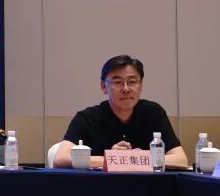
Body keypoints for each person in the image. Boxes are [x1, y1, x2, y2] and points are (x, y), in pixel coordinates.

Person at [53, 55, 187, 169]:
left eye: (132, 82)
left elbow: (180, 159)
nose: (126, 89)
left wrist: (135, 159)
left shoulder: (153, 113)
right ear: (103, 87)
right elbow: (60, 159)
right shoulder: (87, 118)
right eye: (118, 82)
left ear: (141, 85)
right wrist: (111, 159)